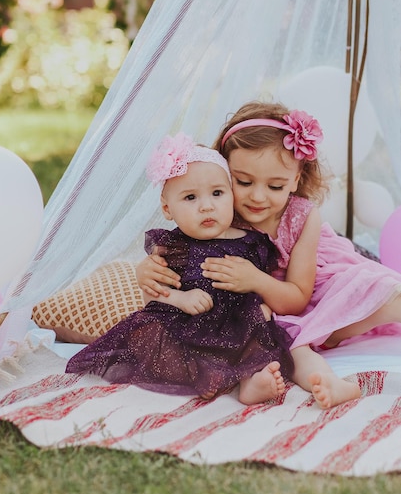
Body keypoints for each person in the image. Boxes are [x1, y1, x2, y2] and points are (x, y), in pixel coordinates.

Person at [136, 105, 372, 409]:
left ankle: (328, 377)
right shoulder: (215, 212)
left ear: (296, 180)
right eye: (243, 182)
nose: (258, 197)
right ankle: (296, 383)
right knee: (284, 344)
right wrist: (146, 272)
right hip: (240, 316)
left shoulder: (299, 218)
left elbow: (297, 297)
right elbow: (169, 266)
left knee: (363, 299)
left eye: (275, 186)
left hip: (296, 294)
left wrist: (254, 280)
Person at [66, 132, 296, 405]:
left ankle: (250, 383)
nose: (207, 206)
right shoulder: (173, 245)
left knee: (258, 338)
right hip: (186, 327)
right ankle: (200, 376)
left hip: (236, 324)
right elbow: (152, 296)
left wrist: (263, 306)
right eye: (190, 198)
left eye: (217, 193)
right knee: (151, 334)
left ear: (231, 195)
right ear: (167, 208)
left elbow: (264, 283)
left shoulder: (253, 243)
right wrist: (180, 299)